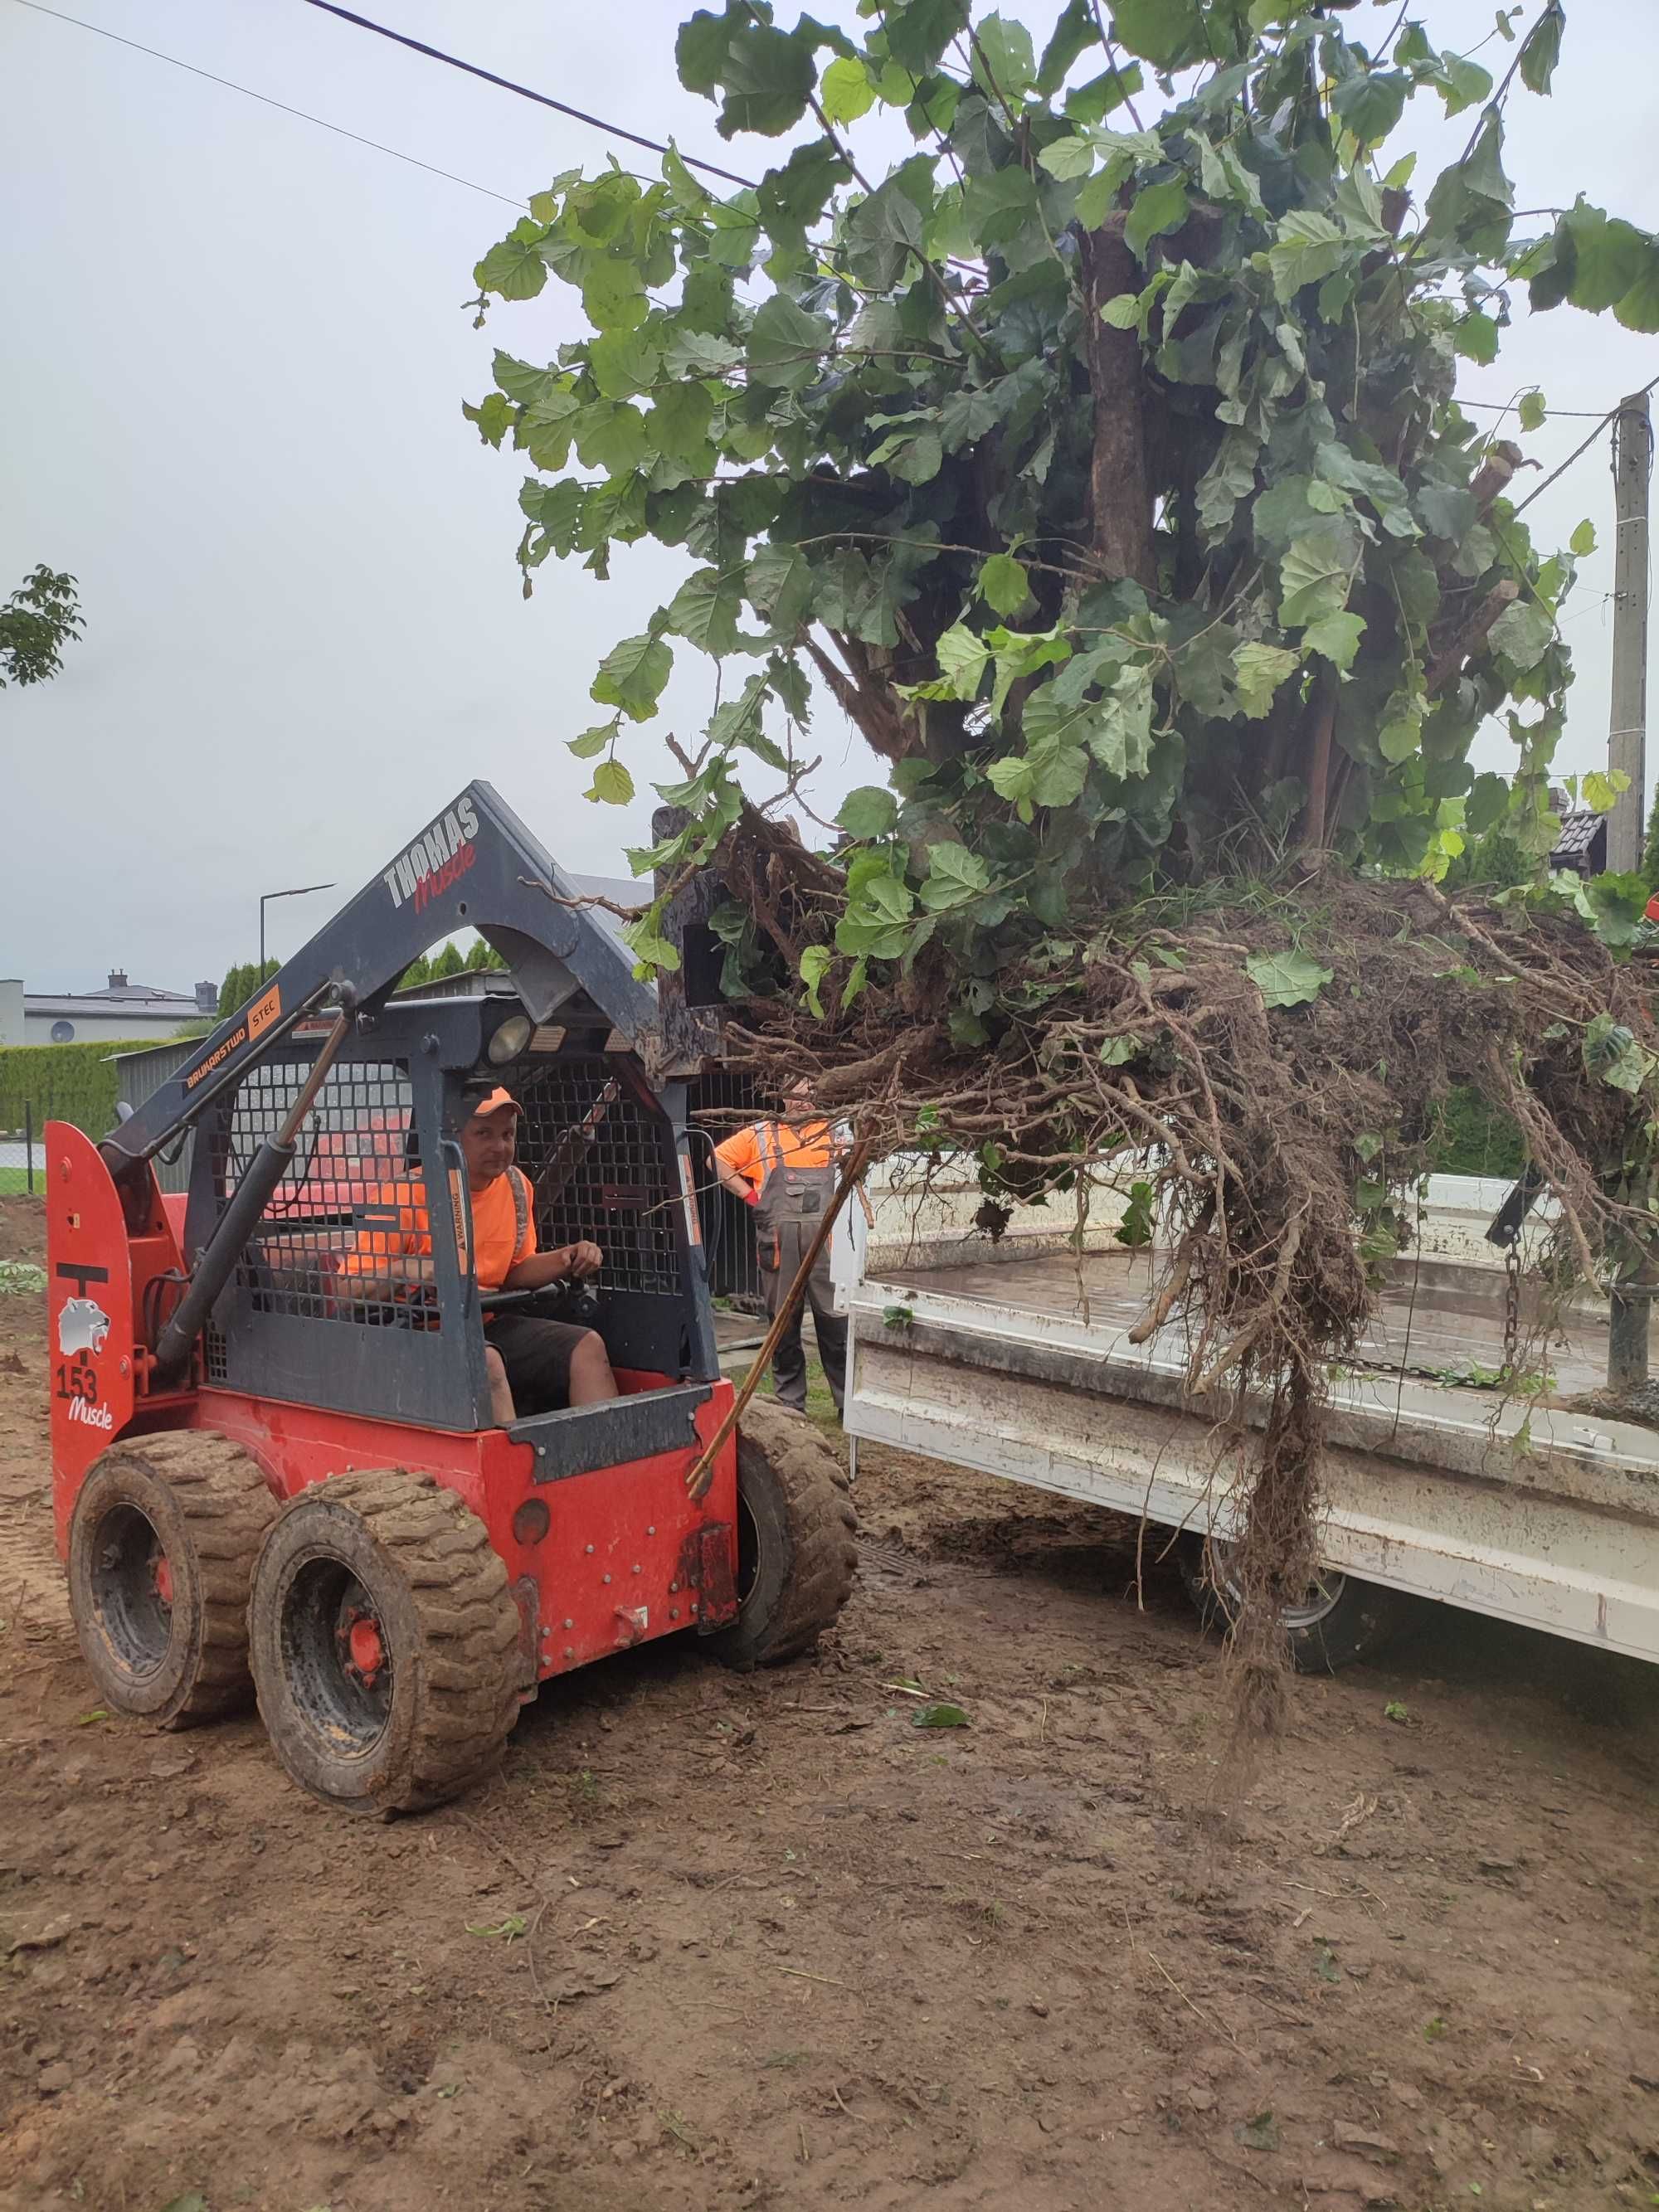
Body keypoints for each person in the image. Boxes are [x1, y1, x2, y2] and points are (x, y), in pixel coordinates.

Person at [347, 1085, 617, 1426]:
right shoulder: (398, 1195)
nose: (499, 1147)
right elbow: (349, 1291)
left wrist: (566, 1258)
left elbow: (513, 1272)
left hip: (485, 1322)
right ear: (453, 1136)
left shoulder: (518, 1186)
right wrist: (412, 1269)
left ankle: (602, 1464)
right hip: (417, 1333)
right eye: (484, 1134)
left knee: (587, 1347)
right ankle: (510, 1473)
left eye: (507, 1134)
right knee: (485, 1362)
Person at [713, 1078, 849, 1417]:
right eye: (797, 1096)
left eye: (810, 1096)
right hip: (778, 1246)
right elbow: (716, 1161)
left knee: (836, 1324)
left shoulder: (836, 1131)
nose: (804, 1103)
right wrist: (750, 1196)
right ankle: (791, 1403)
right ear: (784, 1098)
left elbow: (858, 1168)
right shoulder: (760, 1134)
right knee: (784, 1327)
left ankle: (848, 1402)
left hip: (827, 1246)